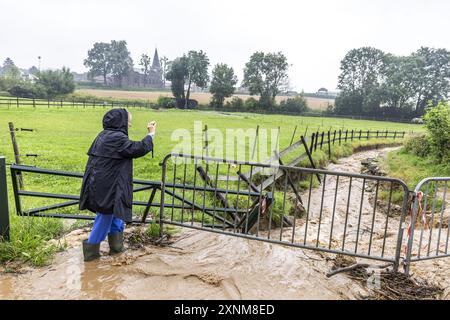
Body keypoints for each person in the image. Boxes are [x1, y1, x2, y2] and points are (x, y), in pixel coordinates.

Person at [79, 108, 156, 261]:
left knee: (115, 214)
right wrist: (151, 134)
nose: (130, 123)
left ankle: (117, 248)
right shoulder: (116, 138)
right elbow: (138, 148)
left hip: (104, 184)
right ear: (120, 121)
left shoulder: (105, 135)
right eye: (128, 120)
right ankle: (91, 256)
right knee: (105, 216)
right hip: (108, 186)